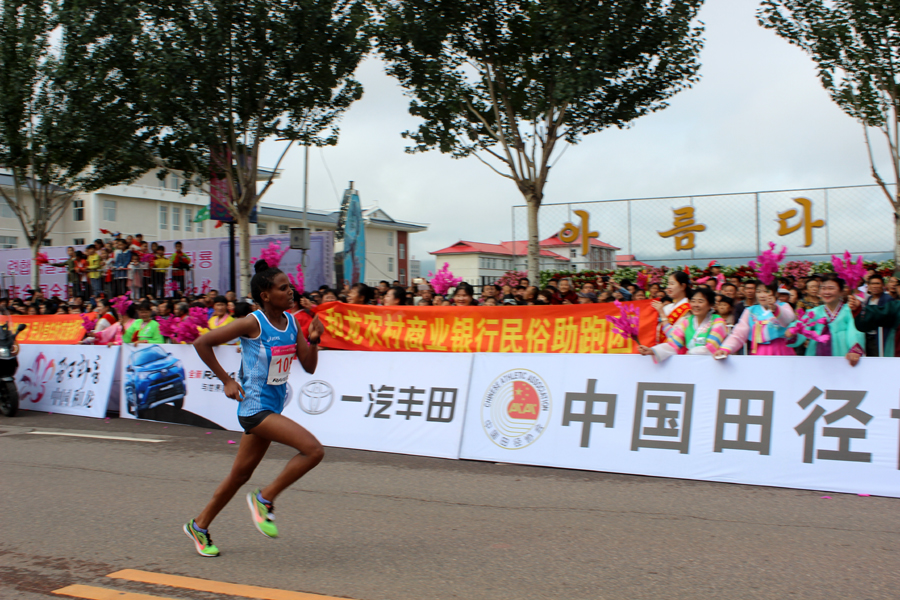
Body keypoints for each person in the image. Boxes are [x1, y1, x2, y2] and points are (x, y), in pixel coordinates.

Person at [184, 260, 325, 557]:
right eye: (283, 287)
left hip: (272, 407)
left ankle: (200, 525)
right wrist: (226, 380)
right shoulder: (253, 323)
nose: (291, 291)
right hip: (254, 407)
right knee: (313, 450)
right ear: (265, 294)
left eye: (290, 286)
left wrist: (314, 339)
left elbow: (309, 366)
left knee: (239, 475)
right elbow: (202, 343)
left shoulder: (291, 324)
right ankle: (265, 499)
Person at [788, 274, 864, 365]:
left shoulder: (849, 311)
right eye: (823, 288)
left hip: (842, 356)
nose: (826, 292)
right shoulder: (814, 312)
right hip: (817, 356)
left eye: (831, 288)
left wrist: (854, 350)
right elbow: (802, 326)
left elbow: (854, 332)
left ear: (841, 292)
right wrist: (793, 331)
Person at [639, 288, 728, 363]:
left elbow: (711, 347)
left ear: (710, 305)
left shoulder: (718, 322)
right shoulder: (687, 322)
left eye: (700, 301)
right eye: (693, 301)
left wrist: (688, 355)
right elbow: (674, 343)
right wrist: (653, 350)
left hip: (712, 365)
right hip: (690, 364)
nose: (696, 305)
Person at [715, 281, 796, 357]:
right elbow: (739, 333)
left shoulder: (783, 306)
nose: (761, 295)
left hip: (781, 351)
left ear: (775, 293)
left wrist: (775, 308)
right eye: (758, 291)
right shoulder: (750, 311)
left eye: (766, 291)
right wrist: (725, 348)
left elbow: (788, 319)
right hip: (759, 351)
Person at [653, 271, 691, 341]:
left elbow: (677, 336)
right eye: (668, 284)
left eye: (672, 284)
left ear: (683, 286)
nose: (668, 287)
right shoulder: (667, 307)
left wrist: (662, 314)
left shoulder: (689, 309)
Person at [860, 274, 891, 357]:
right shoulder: (868, 299)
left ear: (883, 285)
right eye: (872, 284)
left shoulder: (888, 299)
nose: (875, 286)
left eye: (878, 283)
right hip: (868, 337)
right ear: (868, 286)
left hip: (881, 337)